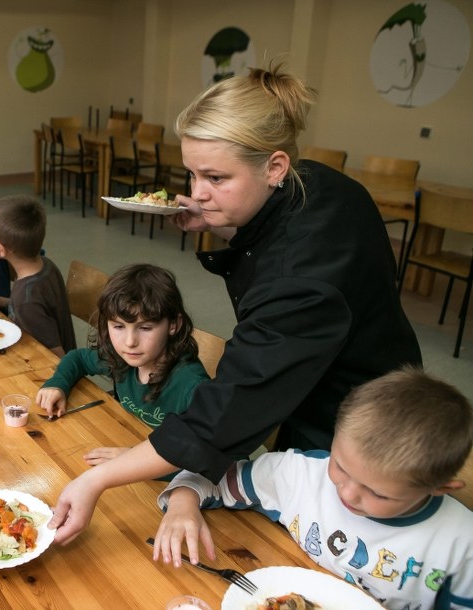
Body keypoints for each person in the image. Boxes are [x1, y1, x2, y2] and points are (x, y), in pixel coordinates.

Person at [47, 64, 422, 545]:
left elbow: (229, 407)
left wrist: (98, 479)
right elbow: (268, 242)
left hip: (358, 420)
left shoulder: (302, 278)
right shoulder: (315, 183)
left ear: (275, 167)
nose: (198, 191)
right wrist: (222, 222)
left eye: (216, 177)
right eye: (193, 173)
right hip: (315, 379)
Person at [153, 368, 472, 610]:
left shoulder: (462, 545)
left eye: (378, 493)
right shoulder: (300, 475)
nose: (347, 494)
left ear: (439, 487)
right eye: (341, 467)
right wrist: (184, 501)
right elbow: (209, 476)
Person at [38, 264, 208, 461]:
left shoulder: (192, 385)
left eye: (145, 328)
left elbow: (203, 456)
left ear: (173, 325)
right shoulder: (121, 357)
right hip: (126, 442)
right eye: (118, 326)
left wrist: (134, 459)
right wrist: (57, 384)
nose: (130, 342)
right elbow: (78, 358)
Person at [0, 195, 76, 356]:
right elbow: (39, 308)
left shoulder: (26, 299)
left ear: (2, 249)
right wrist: (2, 301)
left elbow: (57, 356)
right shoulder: (46, 265)